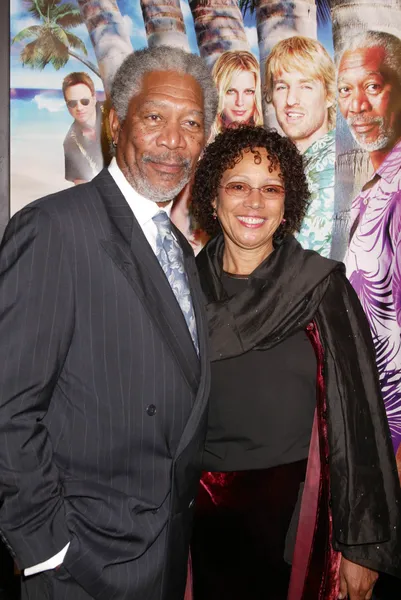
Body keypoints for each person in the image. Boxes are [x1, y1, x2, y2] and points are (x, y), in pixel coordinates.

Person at [0, 45, 218, 600]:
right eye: (154, 118)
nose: (174, 141)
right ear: (115, 122)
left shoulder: (177, 248)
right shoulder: (54, 229)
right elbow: (8, 404)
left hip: (162, 554)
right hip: (84, 563)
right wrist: (47, 546)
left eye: (191, 123)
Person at [188, 125, 401, 600]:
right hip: (196, 525)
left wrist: (362, 546)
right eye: (238, 186)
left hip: (299, 519)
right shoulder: (180, 291)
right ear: (213, 196)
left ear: (288, 204)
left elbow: (361, 419)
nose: (254, 203)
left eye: (271, 189)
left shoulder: (321, 286)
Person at [339, 30, 401, 474]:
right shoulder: (373, 191)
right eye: (345, 89)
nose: (356, 105)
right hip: (372, 431)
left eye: (373, 87)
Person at [264, 36, 336, 257]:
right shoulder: (280, 164)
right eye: (282, 86)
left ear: (330, 95)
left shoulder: (337, 164)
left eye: (305, 86)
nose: (291, 100)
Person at [63, 72, 112, 185]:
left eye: (84, 101)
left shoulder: (112, 112)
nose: (79, 108)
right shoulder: (70, 143)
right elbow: (82, 186)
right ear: (67, 106)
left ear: (94, 99)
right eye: (72, 103)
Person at [209, 50, 263, 142]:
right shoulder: (202, 144)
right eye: (231, 91)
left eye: (248, 91)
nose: (239, 102)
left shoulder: (268, 145)